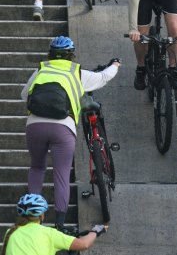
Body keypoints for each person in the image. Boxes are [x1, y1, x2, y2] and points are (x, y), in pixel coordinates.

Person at [20, 35, 121, 232]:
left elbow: (24, 94)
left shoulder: (41, 69)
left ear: (50, 54)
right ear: (71, 55)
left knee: (37, 167)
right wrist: (115, 65)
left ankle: (31, 219)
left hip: (35, 125)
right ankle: (59, 224)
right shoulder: (76, 72)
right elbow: (102, 78)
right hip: (63, 127)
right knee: (62, 174)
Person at [2, 193, 107, 255]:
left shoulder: (10, 232)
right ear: (41, 215)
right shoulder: (49, 233)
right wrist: (95, 231)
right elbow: (84, 244)